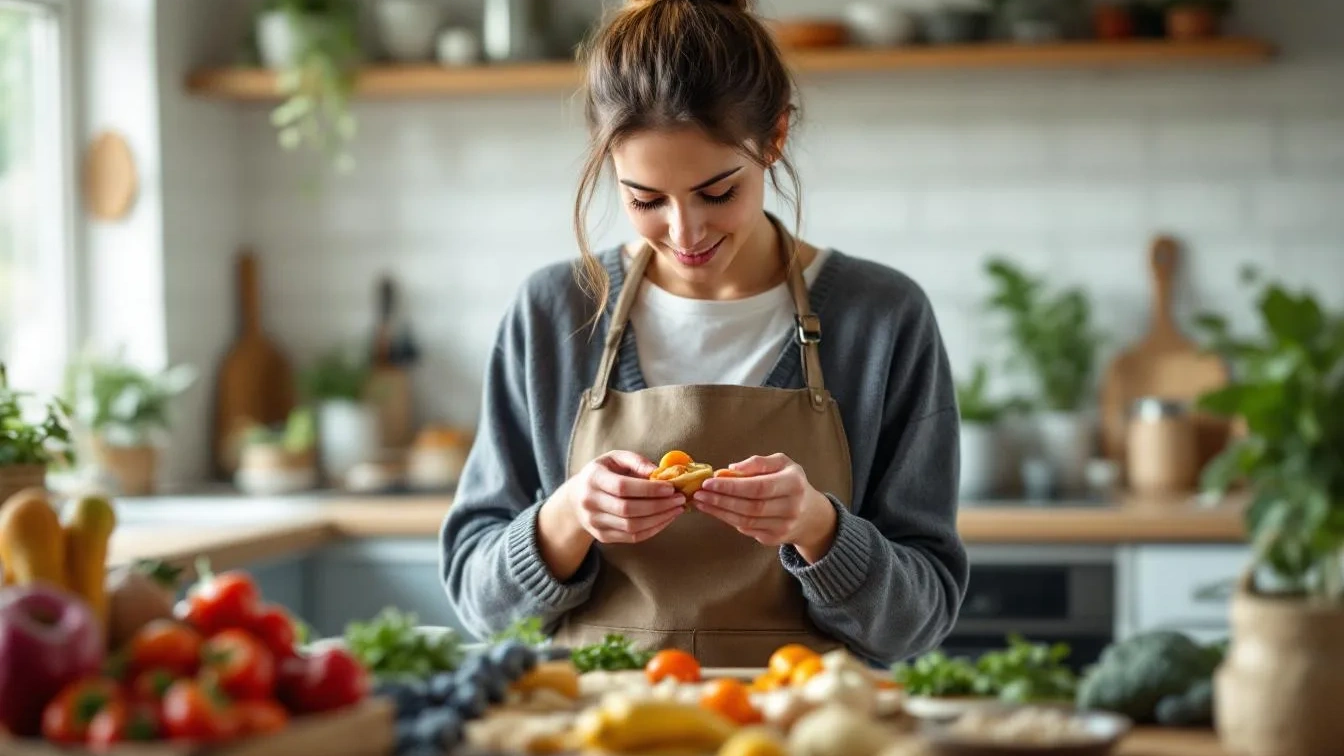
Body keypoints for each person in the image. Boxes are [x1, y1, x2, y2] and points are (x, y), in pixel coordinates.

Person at [440, 0, 967, 668]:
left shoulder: (882, 317)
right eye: (645, 200)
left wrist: (819, 527)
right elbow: (477, 603)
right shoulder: (551, 313)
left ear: (774, 138)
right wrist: (568, 517)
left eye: (718, 193)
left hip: (803, 730)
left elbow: (919, 621)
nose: (684, 234)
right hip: (594, 729)